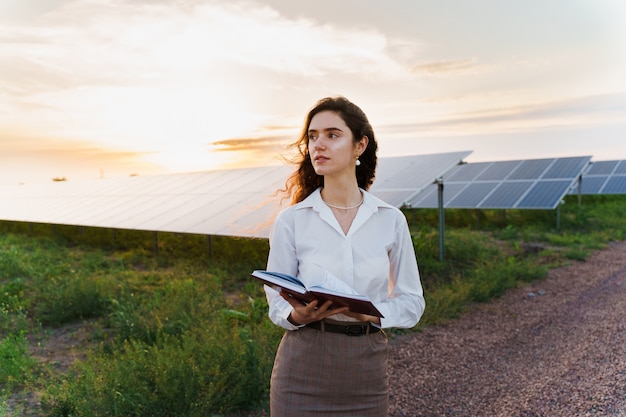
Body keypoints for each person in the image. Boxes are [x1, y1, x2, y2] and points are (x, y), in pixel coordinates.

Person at [264, 96, 425, 416]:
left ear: (359, 145)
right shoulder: (292, 221)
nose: (318, 145)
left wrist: (374, 314)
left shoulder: (390, 219)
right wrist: (298, 315)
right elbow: (276, 298)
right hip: (302, 365)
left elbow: (412, 301)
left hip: (365, 370)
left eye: (332, 135)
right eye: (312, 136)